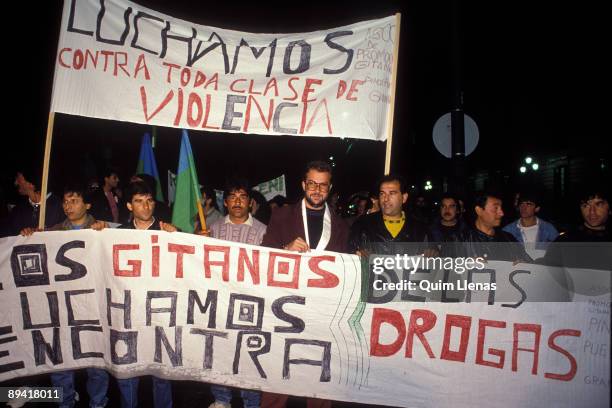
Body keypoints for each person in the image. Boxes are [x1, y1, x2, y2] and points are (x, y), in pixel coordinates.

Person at [261, 160, 348, 408]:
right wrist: (284, 249)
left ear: (329, 189)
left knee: (320, 379)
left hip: (321, 312)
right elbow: (261, 256)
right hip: (285, 309)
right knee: (276, 377)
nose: (317, 190)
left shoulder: (341, 226)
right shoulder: (281, 215)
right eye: (312, 183)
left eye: (323, 185)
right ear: (303, 184)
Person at [21, 184, 109, 408]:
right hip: (62, 307)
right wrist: (30, 238)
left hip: (92, 306)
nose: (68, 206)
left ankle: (98, 402)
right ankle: (65, 401)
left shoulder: (103, 230)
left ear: (87, 204)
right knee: (61, 360)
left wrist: (107, 232)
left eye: (74, 200)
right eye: (65, 202)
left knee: (95, 361)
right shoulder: (53, 232)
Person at [116, 181, 176, 407]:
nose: (145, 206)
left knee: (160, 370)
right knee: (129, 369)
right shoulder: (117, 234)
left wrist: (178, 235)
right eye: (139, 201)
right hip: (128, 312)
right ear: (130, 206)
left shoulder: (167, 231)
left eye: (149, 200)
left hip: (160, 312)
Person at [207, 179, 265, 408]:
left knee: (249, 353)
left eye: (242, 196)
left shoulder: (263, 230)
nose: (237, 201)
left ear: (250, 202)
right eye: (232, 197)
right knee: (219, 349)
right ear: (226, 202)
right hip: (220, 302)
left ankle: (251, 400)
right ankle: (221, 398)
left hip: (251, 303)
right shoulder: (213, 229)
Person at [349, 175, 428, 256]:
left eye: (392, 193)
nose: (385, 199)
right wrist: (357, 253)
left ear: (404, 197)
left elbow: (431, 260)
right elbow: (349, 254)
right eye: (382, 194)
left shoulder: (419, 229)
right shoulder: (363, 224)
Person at [456, 191, 531, 262]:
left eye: (501, 208)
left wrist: (523, 264)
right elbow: (449, 269)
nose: (501, 213)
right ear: (479, 210)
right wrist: (465, 265)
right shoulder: (461, 240)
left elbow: (530, 264)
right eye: (495, 208)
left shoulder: (508, 239)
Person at [3, 170, 63, 237]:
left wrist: (49, 230)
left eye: (18, 178)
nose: (15, 182)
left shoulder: (60, 205)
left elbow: (68, 228)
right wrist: (23, 233)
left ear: (31, 184)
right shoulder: (18, 209)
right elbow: (7, 234)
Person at [502, 191, 558, 259]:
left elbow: (558, 253)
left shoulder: (548, 229)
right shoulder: (508, 230)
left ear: (537, 208)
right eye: (521, 204)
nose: (524, 207)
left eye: (529, 204)